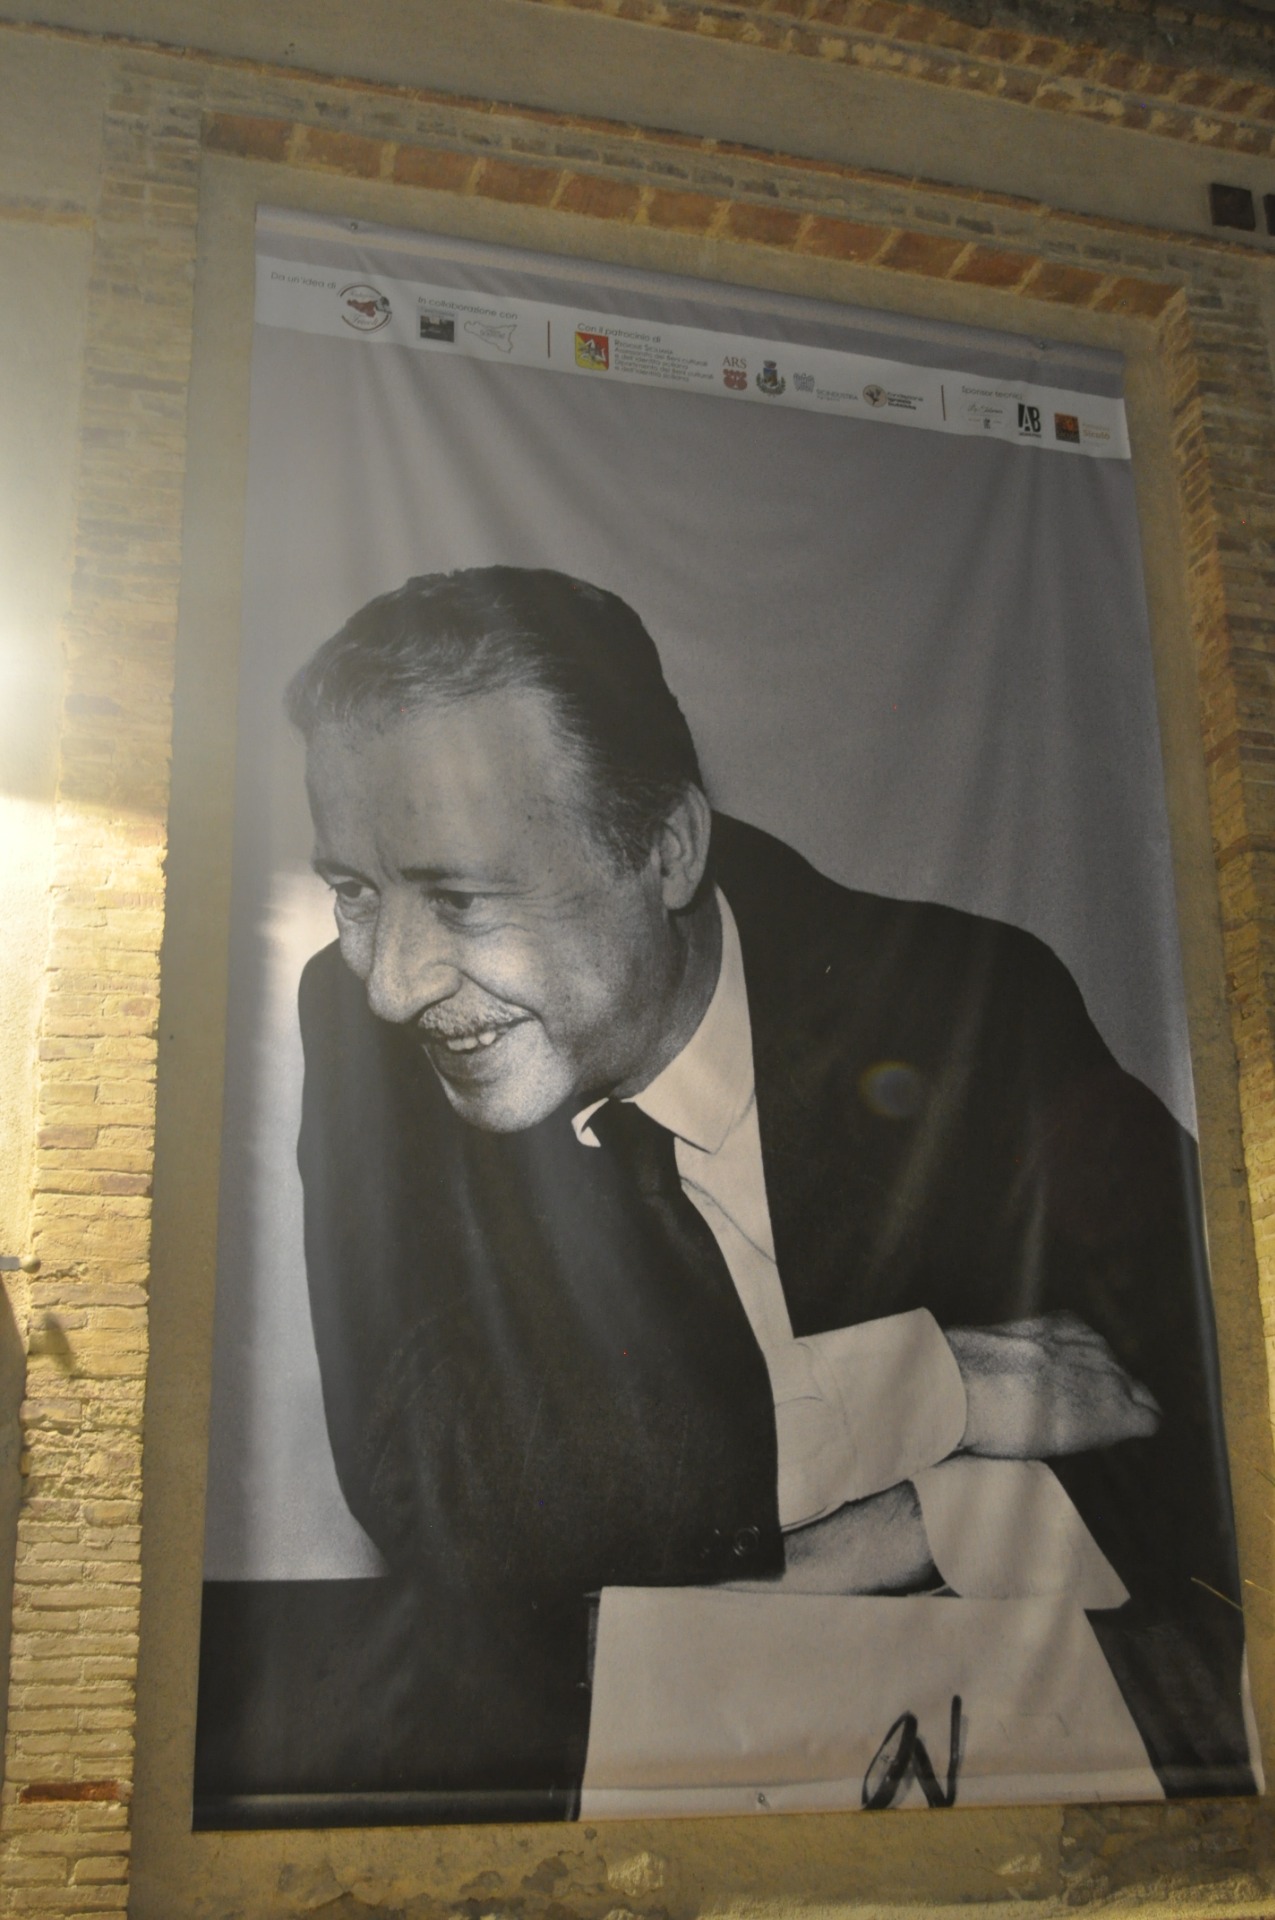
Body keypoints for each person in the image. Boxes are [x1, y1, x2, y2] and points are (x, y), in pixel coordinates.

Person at [195, 567, 1253, 1824]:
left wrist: (902, 1529)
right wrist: (938, 1387)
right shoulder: (362, 1026)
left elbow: (1201, 1404)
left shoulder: (971, 1005)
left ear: (664, 851)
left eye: (463, 898)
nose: (392, 984)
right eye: (356, 893)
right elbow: (432, 1478)